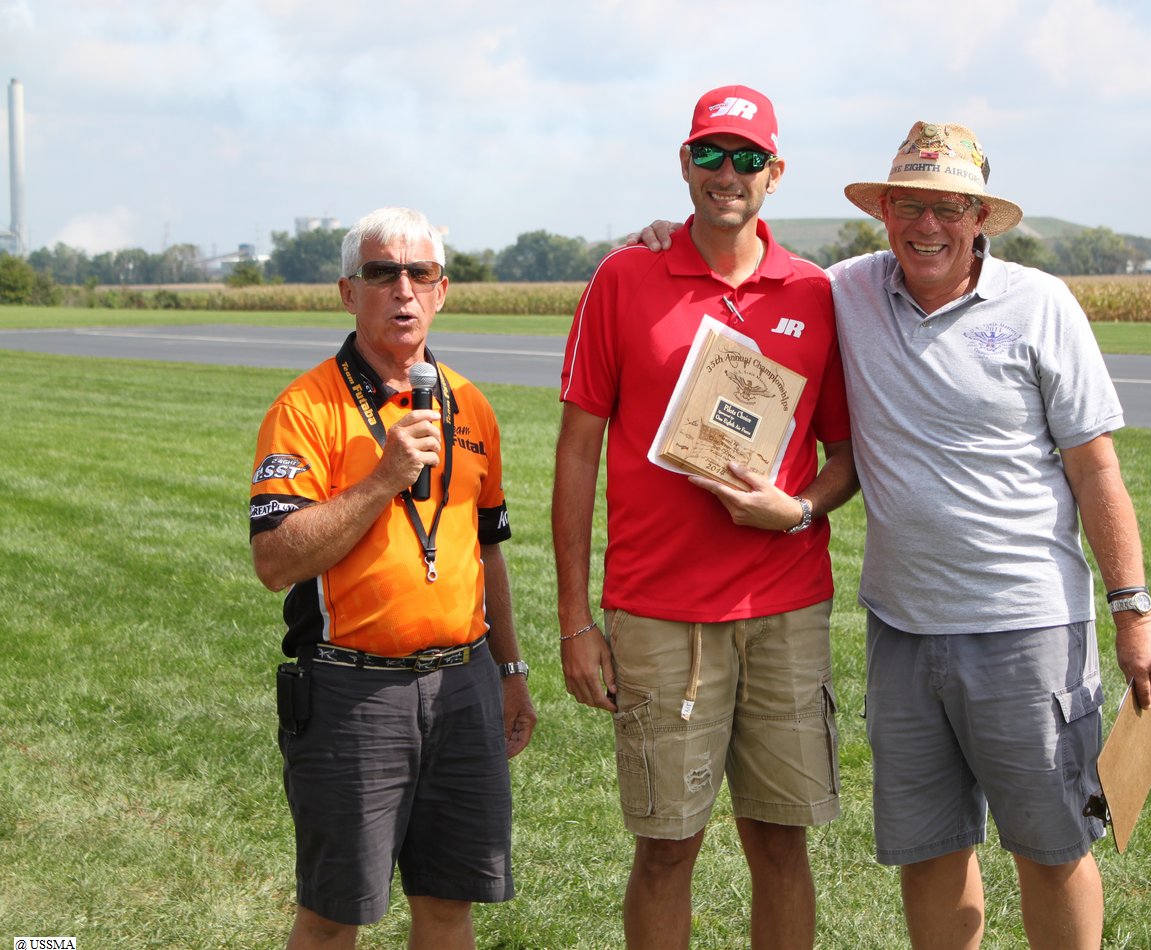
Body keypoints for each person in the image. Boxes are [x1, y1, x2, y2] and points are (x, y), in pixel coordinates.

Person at [637, 121, 1151, 949]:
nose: (928, 226)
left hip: (1027, 630)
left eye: (949, 208)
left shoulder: (1040, 305)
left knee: (1053, 847)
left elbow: (1096, 469)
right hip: (902, 634)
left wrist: (1133, 611)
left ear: (980, 218)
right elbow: (747, 273)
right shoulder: (845, 292)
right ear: (883, 212)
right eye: (910, 206)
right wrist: (667, 241)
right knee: (930, 853)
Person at [553, 85, 859, 950]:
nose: (730, 173)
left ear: (775, 173)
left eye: (748, 157)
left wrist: (796, 510)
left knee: (781, 844)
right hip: (658, 613)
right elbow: (576, 453)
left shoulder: (816, 291)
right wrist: (575, 620)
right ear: (686, 164)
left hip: (785, 609)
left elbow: (846, 457)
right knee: (665, 849)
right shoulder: (623, 278)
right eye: (713, 154)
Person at [249, 206, 536, 950]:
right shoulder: (305, 409)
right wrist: (383, 479)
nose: (403, 290)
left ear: (442, 290)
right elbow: (275, 561)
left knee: (449, 904)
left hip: (464, 685)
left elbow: (487, 551)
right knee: (332, 914)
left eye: (420, 273)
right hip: (352, 691)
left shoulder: (472, 405)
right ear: (349, 292)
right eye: (382, 273)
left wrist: (509, 670)